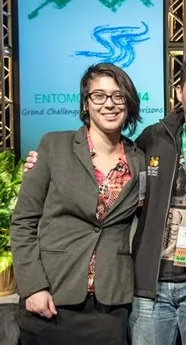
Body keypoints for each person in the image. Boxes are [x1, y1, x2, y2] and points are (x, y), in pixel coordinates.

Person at [24, 54, 186, 344]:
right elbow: (29, 220)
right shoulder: (151, 140)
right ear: (179, 92)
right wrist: (38, 164)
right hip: (149, 284)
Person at [11, 63, 145, 345]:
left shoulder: (138, 159)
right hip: (51, 298)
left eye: (118, 96)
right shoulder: (53, 147)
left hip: (109, 306)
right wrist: (33, 286)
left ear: (129, 103)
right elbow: (23, 222)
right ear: (86, 104)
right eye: (99, 95)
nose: (109, 104)